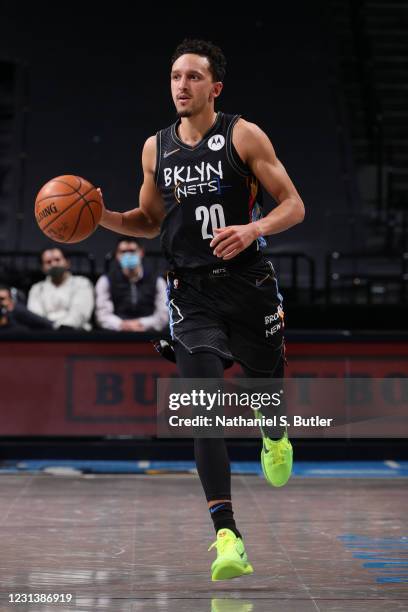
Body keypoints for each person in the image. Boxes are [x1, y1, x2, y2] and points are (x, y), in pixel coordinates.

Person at [98, 39, 305, 581]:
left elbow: (294, 205)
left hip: (249, 285)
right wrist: (100, 216)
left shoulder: (242, 134)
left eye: (193, 77)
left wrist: (253, 227)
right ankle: (227, 536)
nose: (181, 86)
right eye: (174, 76)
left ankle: (275, 432)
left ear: (215, 87)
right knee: (203, 412)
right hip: (191, 295)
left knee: (267, 389)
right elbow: (147, 221)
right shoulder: (155, 148)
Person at [95, 237, 168, 332]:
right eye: (123, 252)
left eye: (132, 251)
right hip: (116, 334)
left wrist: (141, 323)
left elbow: (163, 315)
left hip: (149, 334)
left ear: (141, 253)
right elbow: (102, 315)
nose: (128, 255)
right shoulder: (105, 280)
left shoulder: (157, 280)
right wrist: (122, 325)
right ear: (117, 255)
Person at [27, 247, 94, 330]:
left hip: (77, 334)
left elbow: (80, 314)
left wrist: (58, 327)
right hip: (45, 335)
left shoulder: (82, 283)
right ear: (42, 268)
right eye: (48, 262)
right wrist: (51, 327)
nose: (54, 264)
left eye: (57, 260)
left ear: (67, 263)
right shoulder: (36, 289)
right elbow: (36, 317)